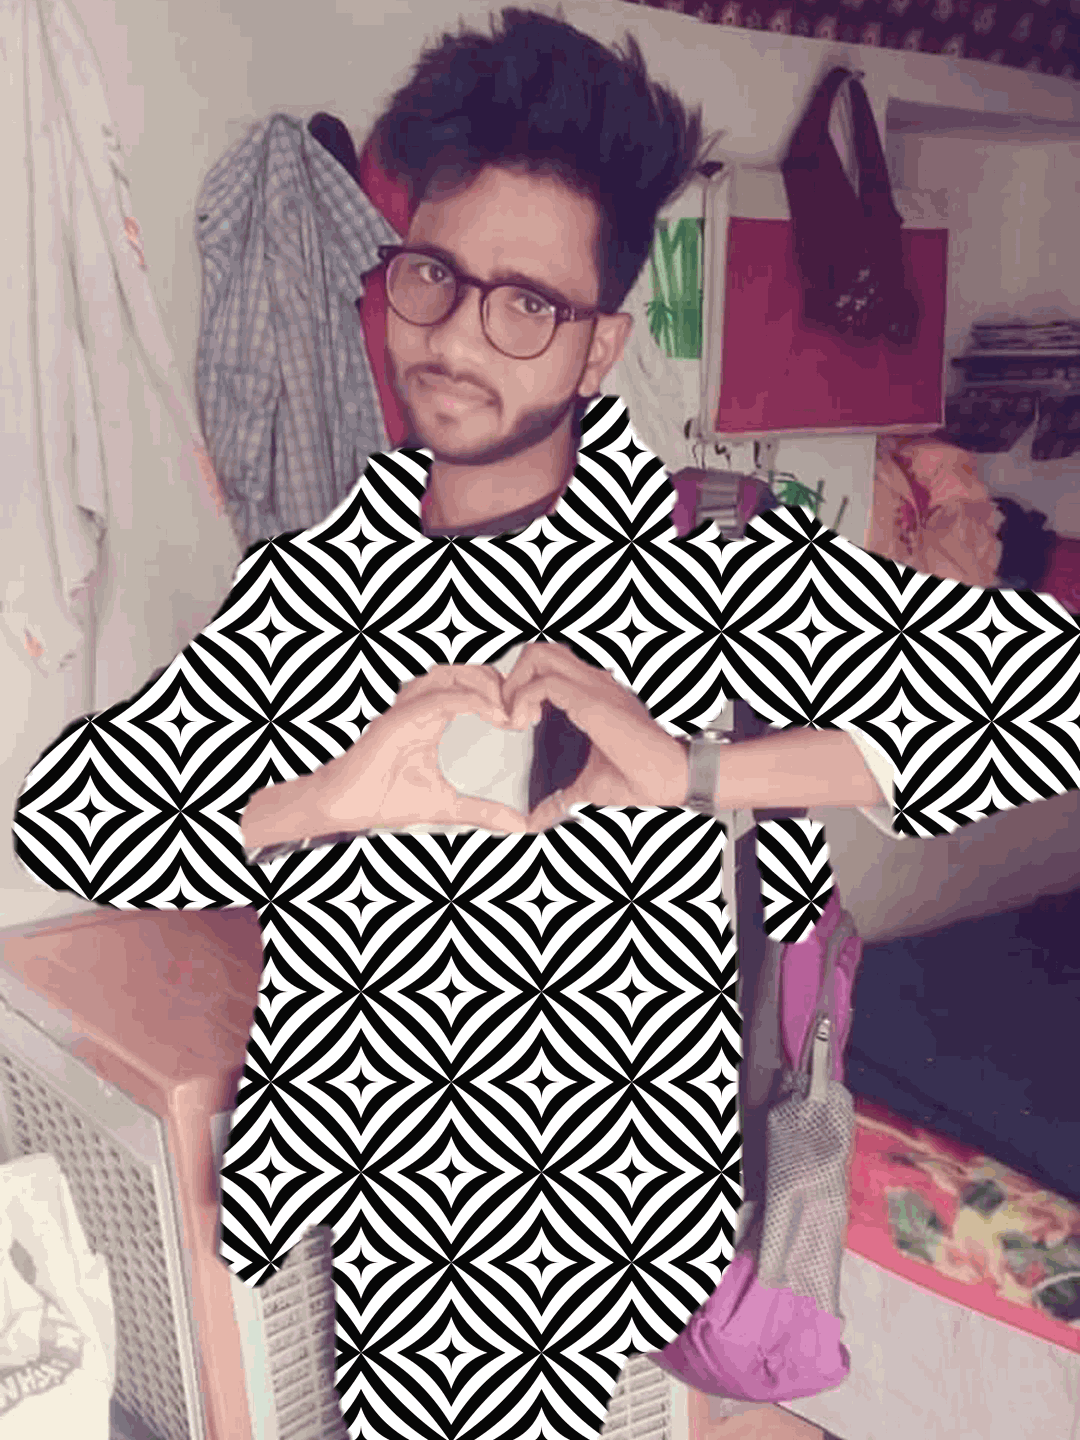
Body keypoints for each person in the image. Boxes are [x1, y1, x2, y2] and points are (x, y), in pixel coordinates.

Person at [13, 11, 1080, 1440]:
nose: (460, 338)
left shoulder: (706, 563)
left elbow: (1043, 701)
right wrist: (322, 799)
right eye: (435, 278)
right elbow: (65, 817)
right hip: (376, 1199)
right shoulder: (319, 575)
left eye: (527, 305)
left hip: (594, 1216)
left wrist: (691, 769)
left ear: (598, 346)